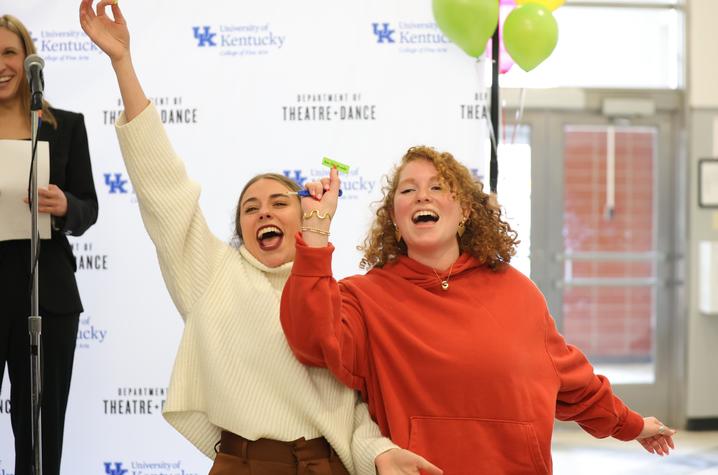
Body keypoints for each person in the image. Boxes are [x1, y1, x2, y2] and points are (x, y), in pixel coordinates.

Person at [79, 2, 442, 474]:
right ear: (242, 232)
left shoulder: (334, 295)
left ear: (304, 216)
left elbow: (353, 411)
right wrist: (123, 63)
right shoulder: (211, 273)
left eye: (278, 203)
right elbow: (163, 189)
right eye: (250, 208)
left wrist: (381, 454)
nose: (264, 211)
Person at [280, 146, 678, 474]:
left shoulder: (518, 292)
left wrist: (633, 425)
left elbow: (574, 382)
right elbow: (313, 340)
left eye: (439, 187)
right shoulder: (365, 298)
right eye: (408, 190)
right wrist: (315, 232)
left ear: (466, 212)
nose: (423, 196)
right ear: (395, 223)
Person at [0, 14, 99, 475]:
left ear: (28, 60)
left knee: (40, 432)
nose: (1, 65)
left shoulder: (66, 127)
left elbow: (88, 208)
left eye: (8, 53)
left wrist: (64, 205)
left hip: (48, 296)